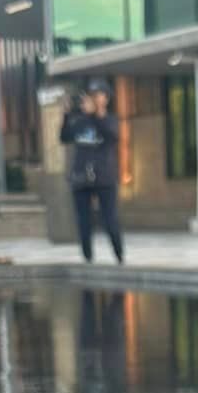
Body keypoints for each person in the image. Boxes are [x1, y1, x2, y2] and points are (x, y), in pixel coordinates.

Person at [60, 81, 124, 264]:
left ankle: (119, 255)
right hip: (81, 177)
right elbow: (64, 137)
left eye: (98, 95)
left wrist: (96, 115)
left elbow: (111, 135)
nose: (94, 99)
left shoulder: (110, 120)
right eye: (92, 95)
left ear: (106, 98)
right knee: (83, 221)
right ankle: (88, 257)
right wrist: (66, 114)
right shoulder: (81, 121)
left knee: (109, 219)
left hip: (104, 177)